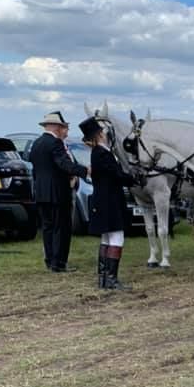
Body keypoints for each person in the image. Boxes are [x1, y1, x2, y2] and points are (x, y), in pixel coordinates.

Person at [79, 116, 136, 290]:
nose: (106, 133)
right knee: (117, 237)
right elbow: (116, 175)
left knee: (106, 238)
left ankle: (103, 278)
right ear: (99, 135)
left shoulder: (98, 153)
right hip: (110, 201)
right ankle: (111, 278)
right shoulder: (103, 154)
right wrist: (134, 179)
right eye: (103, 131)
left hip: (103, 200)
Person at [29, 110, 89, 273]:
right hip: (57, 192)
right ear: (56, 127)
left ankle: (50, 260)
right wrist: (84, 170)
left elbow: (36, 168)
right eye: (62, 126)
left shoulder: (37, 143)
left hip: (41, 192)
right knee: (61, 227)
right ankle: (59, 262)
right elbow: (63, 164)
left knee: (48, 228)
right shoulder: (55, 144)